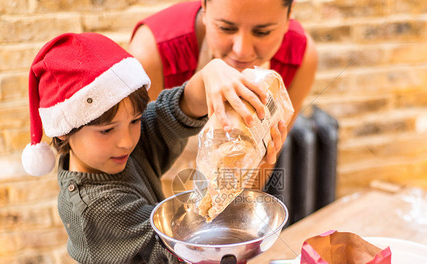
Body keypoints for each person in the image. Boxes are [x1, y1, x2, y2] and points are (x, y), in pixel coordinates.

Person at [21, 32, 287, 264]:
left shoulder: (119, 148)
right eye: (107, 130)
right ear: (65, 132)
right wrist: (237, 171)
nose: (127, 140)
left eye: (134, 121)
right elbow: (181, 242)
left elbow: (178, 109)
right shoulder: (90, 208)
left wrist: (212, 76)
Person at [128, 0, 317, 188]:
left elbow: (263, 165)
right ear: (204, 6)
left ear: (290, 13)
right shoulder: (153, 52)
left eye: (262, 32)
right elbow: (138, 160)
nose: (241, 50)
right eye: (226, 28)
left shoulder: (300, 57)